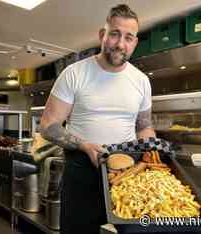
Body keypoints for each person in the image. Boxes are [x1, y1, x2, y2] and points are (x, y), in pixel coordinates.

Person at [40, 4, 155, 234]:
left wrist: (152, 153)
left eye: (128, 37)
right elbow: (47, 126)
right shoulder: (74, 73)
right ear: (102, 35)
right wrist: (84, 145)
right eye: (114, 34)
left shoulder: (141, 81)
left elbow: (144, 126)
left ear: (135, 42)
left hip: (127, 174)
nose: (120, 43)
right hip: (82, 170)